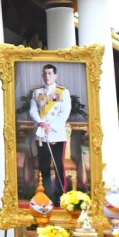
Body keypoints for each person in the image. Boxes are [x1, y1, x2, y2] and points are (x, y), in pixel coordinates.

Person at [29, 64, 72, 205]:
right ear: (42, 75)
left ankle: (60, 196)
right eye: (45, 73)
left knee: (58, 165)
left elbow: (64, 113)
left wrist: (51, 126)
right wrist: (41, 122)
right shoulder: (37, 92)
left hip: (56, 135)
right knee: (44, 167)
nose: (47, 76)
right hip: (42, 135)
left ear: (55, 75)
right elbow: (33, 111)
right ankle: (47, 196)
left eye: (50, 73)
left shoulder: (63, 92)